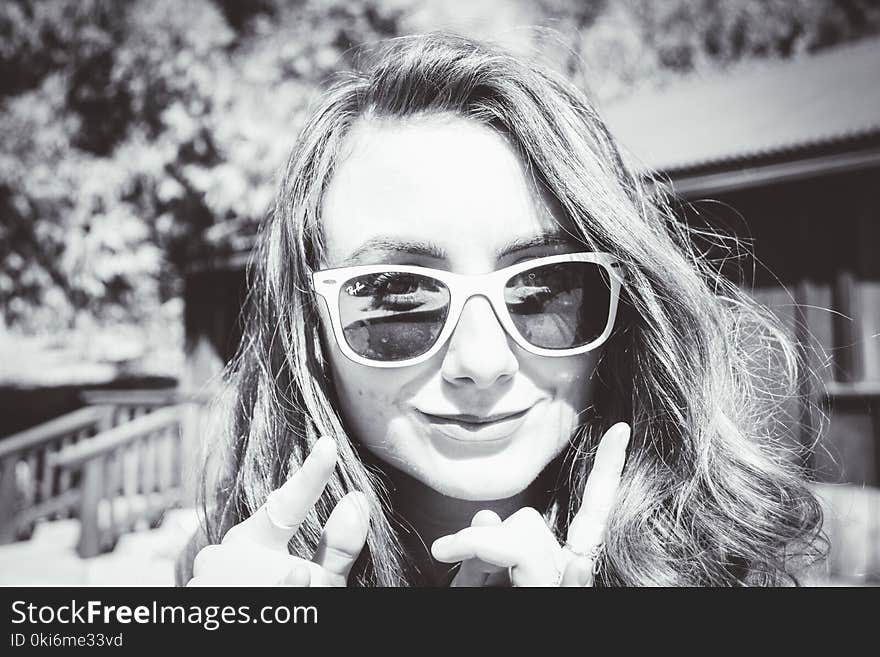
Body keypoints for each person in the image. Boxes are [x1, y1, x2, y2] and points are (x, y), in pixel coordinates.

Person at [179, 32, 825, 587]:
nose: (482, 362)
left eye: (542, 288)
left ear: (619, 314)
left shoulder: (719, 569)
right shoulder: (231, 570)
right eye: (399, 296)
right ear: (312, 328)